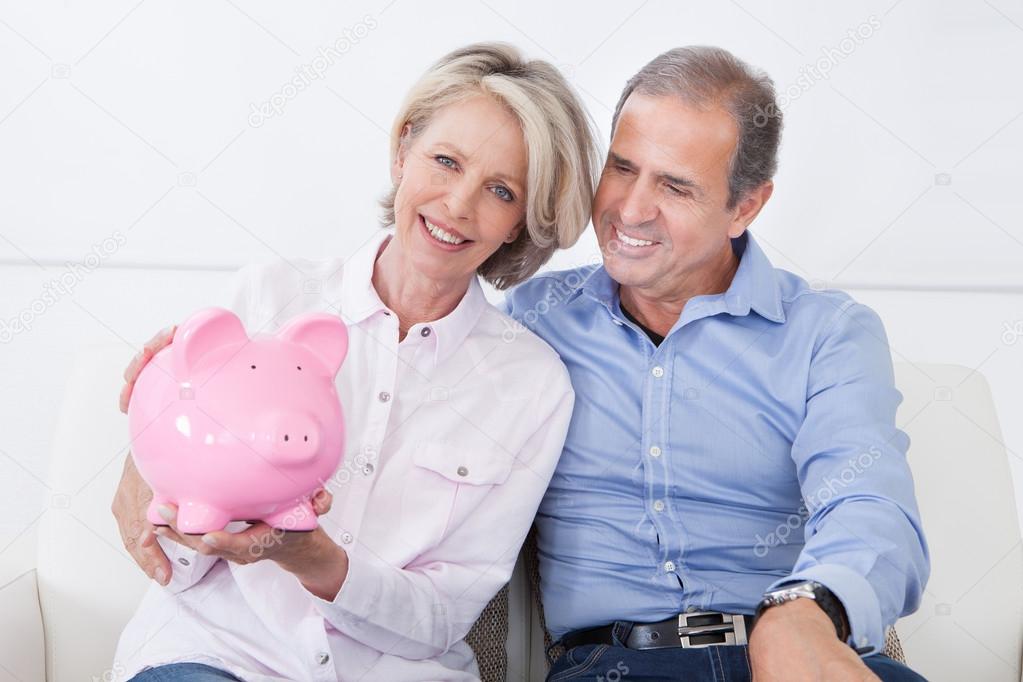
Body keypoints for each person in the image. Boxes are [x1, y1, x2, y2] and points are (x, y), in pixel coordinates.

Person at [110, 42, 599, 682]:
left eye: (499, 191)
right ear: (402, 151)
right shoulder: (269, 297)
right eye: (445, 161)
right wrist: (154, 446)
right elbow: (176, 538)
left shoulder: (531, 387)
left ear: (519, 223)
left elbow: (442, 617)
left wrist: (313, 558)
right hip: (216, 651)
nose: (457, 204)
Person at [504, 46, 930, 681]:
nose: (631, 209)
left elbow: (870, 506)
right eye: (623, 168)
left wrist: (805, 614)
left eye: (675, 185)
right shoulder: (535, 321)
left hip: (793, 653)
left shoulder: (826, 334)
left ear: (745, 207)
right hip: (613, 666)